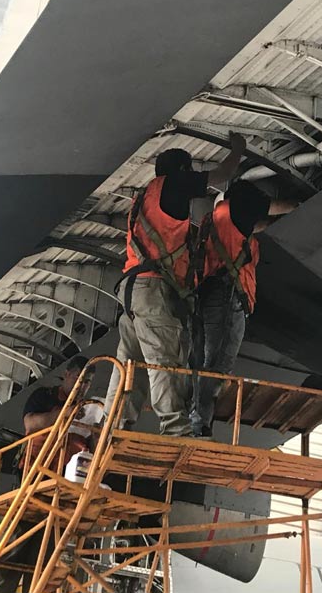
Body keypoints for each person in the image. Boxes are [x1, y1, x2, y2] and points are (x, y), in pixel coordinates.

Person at [103, 132, 247, 437]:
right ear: (182, 170)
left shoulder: (144, 197)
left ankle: (113, 427)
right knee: (163, 359)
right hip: (153, 289)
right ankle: (175, 429)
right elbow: (221, 176)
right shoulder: (174, 183)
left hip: (132, 288)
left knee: (130, 363)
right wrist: (239, 149)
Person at [190, 180, 297, 437]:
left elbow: (256, 225)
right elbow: (273, 207)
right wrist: (299, 206)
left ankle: (194, 419)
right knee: (218, 363)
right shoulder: (237, 207)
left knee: (202, 361)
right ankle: (198, 424)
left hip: (207, 296)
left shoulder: (218, 219)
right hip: (227, 298)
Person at [0, 356, 96, 593]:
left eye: (87, 382)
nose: (82, 385)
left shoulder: (89, 409)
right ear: (67, 374)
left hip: (64, 485)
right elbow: (31, 424)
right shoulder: (44, 397)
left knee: (47, 550)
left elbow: (92, 447)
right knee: (18, 541)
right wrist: (63, 415)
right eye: (78, 378)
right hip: (35, 476)